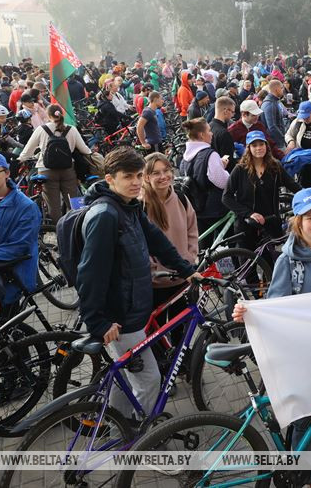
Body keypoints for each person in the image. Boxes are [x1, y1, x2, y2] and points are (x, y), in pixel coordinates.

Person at [232, 188, 311, 488]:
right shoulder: (288, 262)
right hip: (305, 354)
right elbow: (275, 309)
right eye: (310, 217)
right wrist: (249, 312)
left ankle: (303, 470)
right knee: (309, 419)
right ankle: (308, 478)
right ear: (297, 222)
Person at [77, 146, 200, 421]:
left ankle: (116, 425)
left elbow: (157, 240)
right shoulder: (106, 216)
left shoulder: (128, 207)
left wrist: (186, 269)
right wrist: (97, 321)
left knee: (125, 376)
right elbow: (90, 273)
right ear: (109, 178)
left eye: (137, 176)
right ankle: (139, 437)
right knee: (148, 380)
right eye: (127, 177)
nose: (135, 182)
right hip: (122, 317)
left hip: (133, 309)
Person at [140, 152, 198, 345]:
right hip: (156, 284)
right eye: (156, 173)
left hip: (181, 278)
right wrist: (155, 269)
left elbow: (192, 229)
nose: (163, 176)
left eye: (166, 170)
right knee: (156, 334)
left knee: (181, 328)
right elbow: (140, 244)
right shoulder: (141, 206)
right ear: (146, 177)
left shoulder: (180, 198)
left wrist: (189, 257)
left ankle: (182, 365)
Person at [222, 130, 300, 252]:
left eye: (261, 144)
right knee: (248, 266)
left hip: (269, 224)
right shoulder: (240, 169)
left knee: (271, 265)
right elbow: (226, 197)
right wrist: (249, 213)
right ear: (248, 148)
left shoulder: (275, 167)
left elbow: (293, 186)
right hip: (246, 226)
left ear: (266, 145)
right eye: (254, 145)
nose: (258, 148)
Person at [0, 152, 41, 325]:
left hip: (9, 276)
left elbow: (18, 247)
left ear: (6, 173)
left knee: (8, 341)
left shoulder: (26, 207)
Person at [20, 104, 92, 223]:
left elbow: (27, 152)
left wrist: (20, 159)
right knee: (73, 202)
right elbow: (85, 150)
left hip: (46, 170)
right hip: (68, 169)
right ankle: (77, 227)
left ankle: (58, 231)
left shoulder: (41, 129)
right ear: (62, 114)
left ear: (48, 116)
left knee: (53, 205)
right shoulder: (71, 129)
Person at [179, 118, 230, 241]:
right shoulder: (210, 154)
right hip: (215, 209)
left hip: (195, 207)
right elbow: (222, 182)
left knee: (203, 244)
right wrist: (223, 169)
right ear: (202, 135)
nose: (212, 133)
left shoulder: (185, 156)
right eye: (209, 130)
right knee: (231, 239)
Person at [210, 96, 238, 172]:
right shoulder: (224, 134)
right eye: (232, 112)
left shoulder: (208, 127)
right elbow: (228, 160)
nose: (232, 115)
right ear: (225, 111)